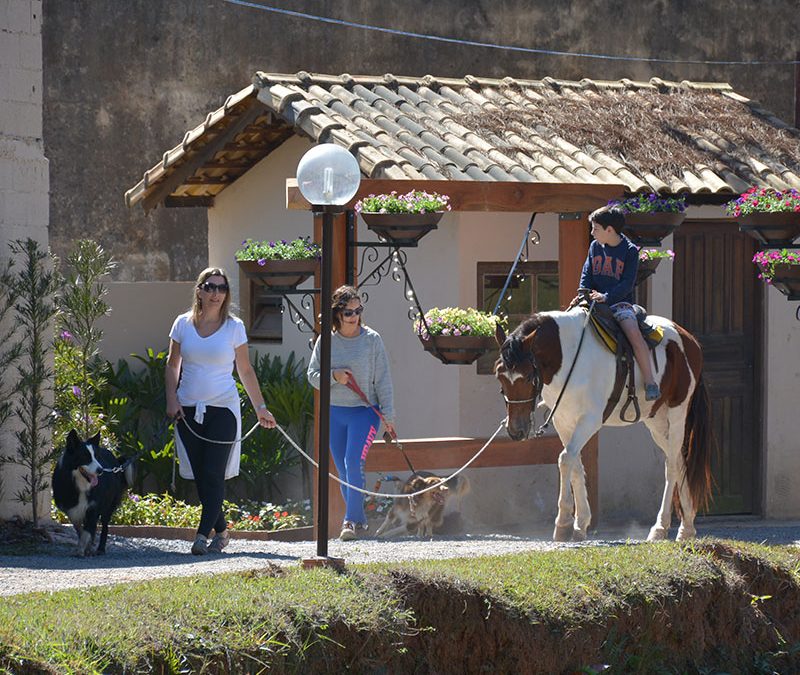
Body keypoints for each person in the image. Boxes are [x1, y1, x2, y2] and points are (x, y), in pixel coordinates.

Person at [165, 267, 276, 555]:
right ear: (199, 290)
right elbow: (171, 365)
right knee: (202, 477)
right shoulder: (182, 324)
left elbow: (246, 370)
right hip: (187, 410)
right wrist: (171, 400)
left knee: (213, 472)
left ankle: (202, 536)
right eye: (210, 287)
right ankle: (223, 531)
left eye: (222, 288)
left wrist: (261, 408)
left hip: (223, 410)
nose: (216, 293)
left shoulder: (234, 326)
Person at [307, 285, 395, 541]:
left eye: (358, 310)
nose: (354, 316)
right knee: (343, 470)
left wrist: (389, 417)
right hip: (335, 413)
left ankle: (351, 521)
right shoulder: (326, 340)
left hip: (365, 412)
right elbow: (312, 376)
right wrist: (334, 376)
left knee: (352, 462)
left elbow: (384, 381)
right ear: (337, 314)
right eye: (348, 312)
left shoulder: (372, 340)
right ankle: (360, 520)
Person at [578, 205, 661, 401]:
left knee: (633, 333)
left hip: (619, 303)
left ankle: (650, 382)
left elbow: (627, 283)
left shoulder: (630, 251)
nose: (592, 232)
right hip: (593, 300)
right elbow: (586, 274)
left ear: (609, 230)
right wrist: (583, 293)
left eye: (595, 228)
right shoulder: (594, 247)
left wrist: (607, 296)